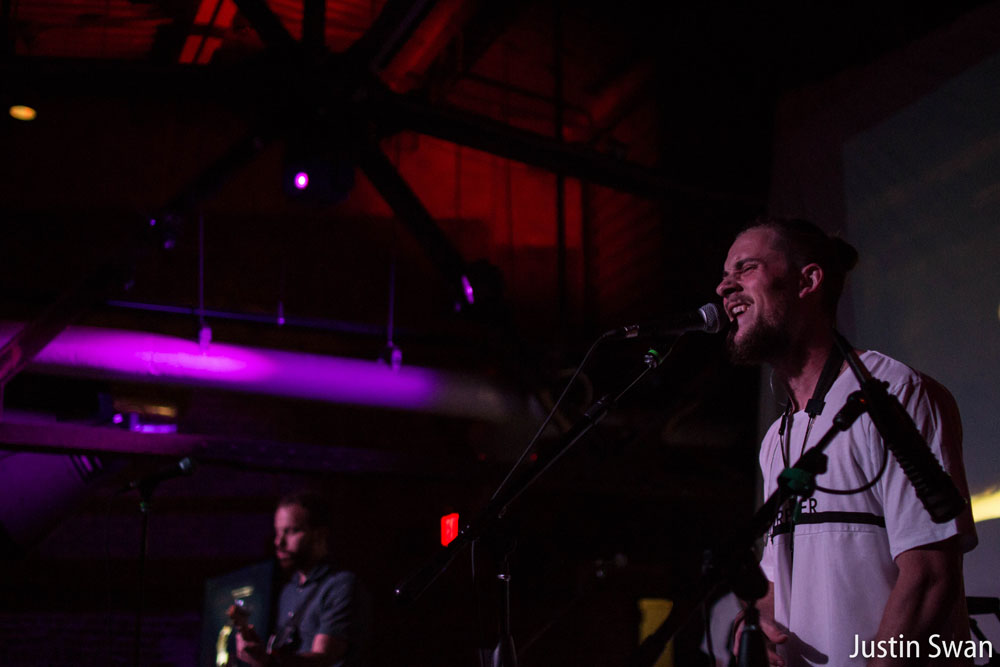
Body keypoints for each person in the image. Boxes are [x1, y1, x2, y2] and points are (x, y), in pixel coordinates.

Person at [715, 218, 977, 666]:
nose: (724, 288)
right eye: (725, 275)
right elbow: (780, 583)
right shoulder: (775, 439)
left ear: (808, 281)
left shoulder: (896, 394)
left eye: (746, 268)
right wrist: (757, 620)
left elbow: (931, 577)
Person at [236, 490, 367, 667]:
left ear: (319, 534)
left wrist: (268, 661)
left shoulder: (341, 585)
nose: (278, 542)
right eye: (278, 532)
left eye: (291, 531)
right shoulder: (289, 591)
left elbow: (323, 659)